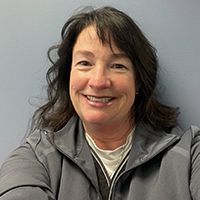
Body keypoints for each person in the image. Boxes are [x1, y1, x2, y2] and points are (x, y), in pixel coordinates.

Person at [0, 6, 199, 200]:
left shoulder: (190, 153)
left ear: (138, 81)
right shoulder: (37, 156)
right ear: (68, 75)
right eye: (85, 63)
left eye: (117, 66)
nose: (98, 81)